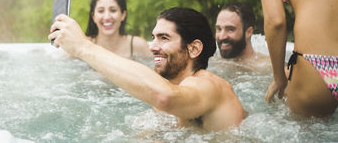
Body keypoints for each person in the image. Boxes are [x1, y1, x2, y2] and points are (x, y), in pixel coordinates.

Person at [49, 7, 244, 132]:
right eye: (154, 37)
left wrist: (84, 47)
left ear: (193, 48)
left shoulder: (208, 85)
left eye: (164, 38)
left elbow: (164, 97)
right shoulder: (175, 91)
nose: (152, 46)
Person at [85, 0, 151, 59]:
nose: (107, 17)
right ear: (93, 17)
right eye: (101, 11)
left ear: (123, 15)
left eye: (113, 10)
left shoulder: (138, 46)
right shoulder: (84, 46)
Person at [215, 2, 269, 69]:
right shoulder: (212, 61)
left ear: (249, 32)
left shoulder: (265, 67)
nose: (222, 37)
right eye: (219, 29)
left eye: (230, 29)